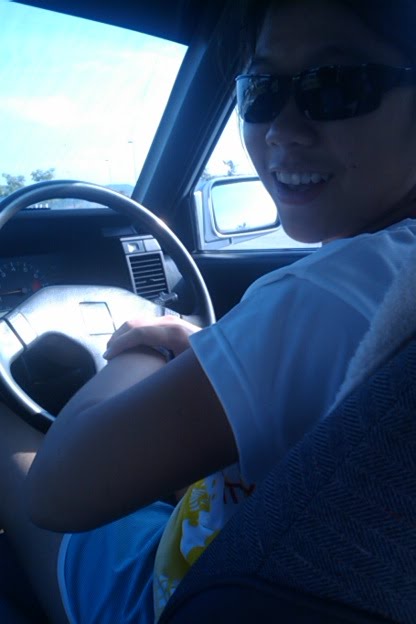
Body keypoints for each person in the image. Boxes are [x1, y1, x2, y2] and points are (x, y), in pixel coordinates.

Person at [2, 0, 416, 622]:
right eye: (261, 90)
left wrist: (142, 345)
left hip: (183, 594)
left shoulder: (327, 293)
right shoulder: (390, 276)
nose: (281, 128)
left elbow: (56, 492)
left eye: (336, 84)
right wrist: (204, 346)